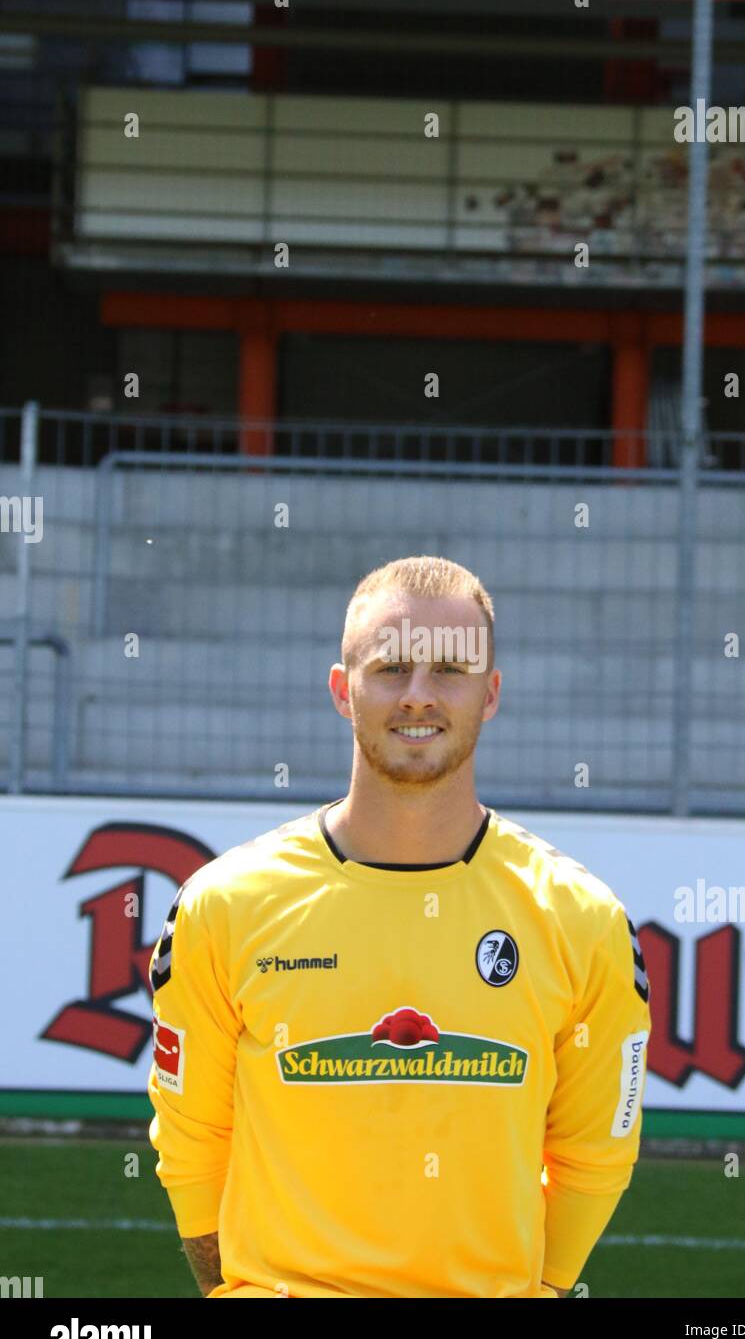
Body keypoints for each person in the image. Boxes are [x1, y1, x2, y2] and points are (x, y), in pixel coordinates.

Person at [148, 555, 651, 1298]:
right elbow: (191, 1144)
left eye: (450, 669)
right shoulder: (224, 905)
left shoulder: (582, 919)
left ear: (491, 693)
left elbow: (595, 1152)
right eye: (391, 669)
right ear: (342, 691)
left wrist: (537, 1289)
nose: (419, 696)